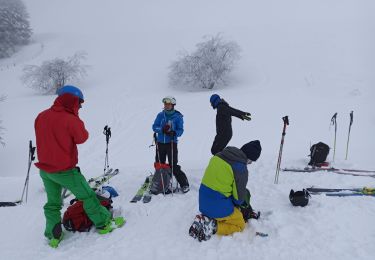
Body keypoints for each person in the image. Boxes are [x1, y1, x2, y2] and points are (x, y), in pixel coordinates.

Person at [34, 85, 124, 248]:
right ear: (73, 101)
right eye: (79, 103)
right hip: (65, 171)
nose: (80, 107)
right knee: (88, 197)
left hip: (45, 171)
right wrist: (74, 119)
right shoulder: (71, 119)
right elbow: (82, 137)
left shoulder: (41, 116)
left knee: (52, 204)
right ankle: (104, 224)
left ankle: (53, 235)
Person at [189, 140, 262, 242]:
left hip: (202, 202)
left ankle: (206, 218)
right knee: (240, 224)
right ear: (249, 158)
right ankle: (212, 226)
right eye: (251, 161)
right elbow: (238, 200)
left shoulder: (219, 155)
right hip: (216, 207)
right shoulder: (241, 168)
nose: (249, 164)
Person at [152, 96, 189, 193]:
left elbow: (181, 131)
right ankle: (161, 182)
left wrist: (174, 132)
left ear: (172, 105)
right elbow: (154, 127)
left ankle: (184, 184)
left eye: (168, 104)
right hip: (160, 143)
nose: (166, 106)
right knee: (159, 164)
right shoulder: (160, 115)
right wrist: (161, 130)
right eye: (165, 104)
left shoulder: (178, 117)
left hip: (171, 143)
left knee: (173, 165)